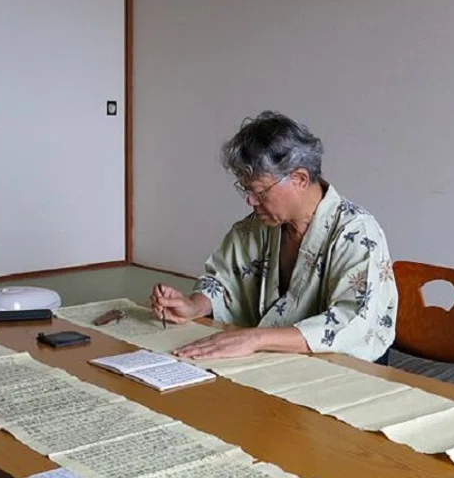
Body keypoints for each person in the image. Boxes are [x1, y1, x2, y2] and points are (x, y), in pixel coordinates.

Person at [151, 111, 397, 364]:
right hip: (275, 359)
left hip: (345, 368)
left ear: (299, 179)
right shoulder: (257, 227)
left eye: (259, 191)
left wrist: (255, 339)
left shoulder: (357, 232)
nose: (250, 200)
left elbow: (353, 320)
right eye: (246, 190)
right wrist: (193, 306)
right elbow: (224, 281)